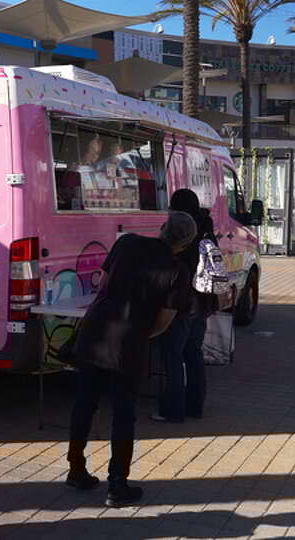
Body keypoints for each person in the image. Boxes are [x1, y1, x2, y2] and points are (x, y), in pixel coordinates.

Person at [65, 211, 197, 508]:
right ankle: (117, 485)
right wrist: (138, 333)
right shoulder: (178, 271)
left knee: (84, 403)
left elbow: (103, 284)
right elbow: (164, 321)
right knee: (123, 413)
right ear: (185, 243)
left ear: (163, 228)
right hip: (128, 345)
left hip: (95, 331)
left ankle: (76, 468)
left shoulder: (126, 243)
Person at [153, 189, 215, 422]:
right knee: (194, 355)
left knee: (172, 356)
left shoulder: (181, 230)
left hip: (181, 304)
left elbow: (167, 263)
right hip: (203, 303)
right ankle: (195, 406)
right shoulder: (207, 228)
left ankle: (173, 410)